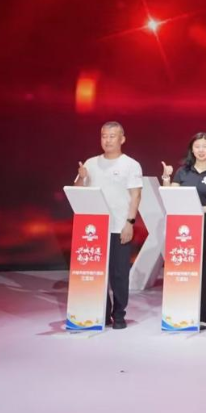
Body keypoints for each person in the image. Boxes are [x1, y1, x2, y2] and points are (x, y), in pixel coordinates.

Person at [73, 121, 143, 330]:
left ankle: (119, 315)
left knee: (119, 274)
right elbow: (77, 189)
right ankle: (101, 313)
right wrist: (82, 178)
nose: (107, 140)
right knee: (96, 272)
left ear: (122, 139)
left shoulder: (130, 164)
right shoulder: (91, 163)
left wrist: (130, 223)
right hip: (94, 230)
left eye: (112, 136)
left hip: (118, 226)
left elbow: (136, 196)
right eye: (104, 136)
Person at [161, 132, 206, 330]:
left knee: (204, 268)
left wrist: (205, 209)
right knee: (182, 266)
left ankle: (203, 314)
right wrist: (166, 178)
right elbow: (171, 195)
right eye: (197, 146)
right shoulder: (182, 172)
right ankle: (180, 310)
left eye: (204, 146)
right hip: (183, 228)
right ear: (192, 149)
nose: (201, 150)